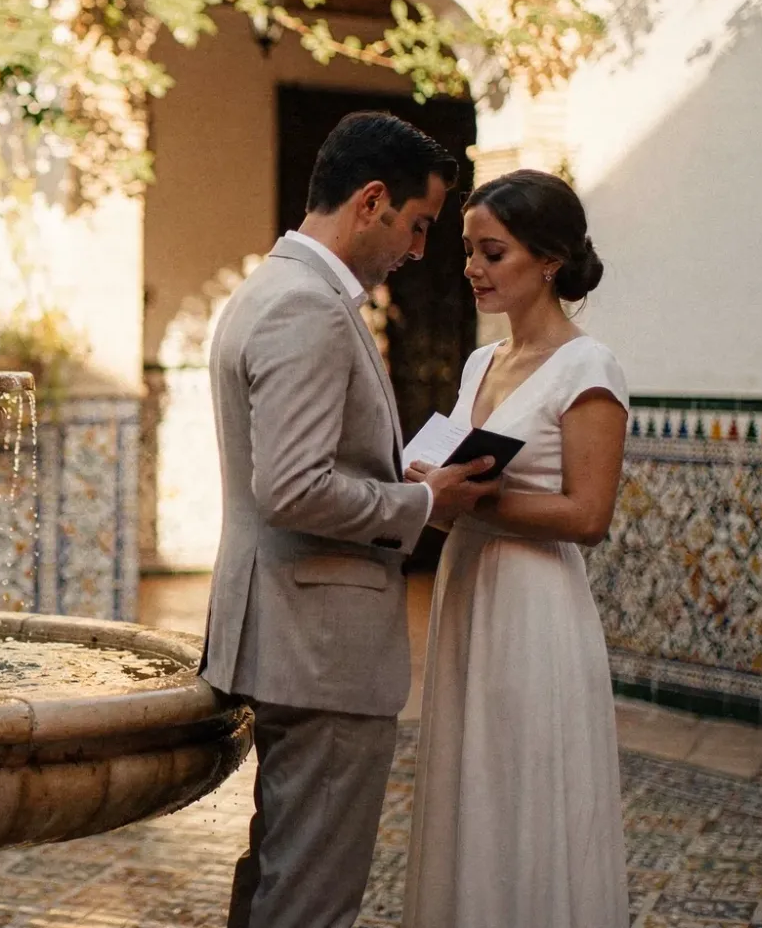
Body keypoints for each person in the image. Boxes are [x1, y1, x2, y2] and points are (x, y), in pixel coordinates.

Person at [201, 111, 502, 928]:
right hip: (322, 648)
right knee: (310, 901)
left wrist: (391, 476)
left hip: (288, 633)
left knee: (277, 879)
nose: (417, 250)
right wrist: (424, 502)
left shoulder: (269, 289)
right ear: (371, 201)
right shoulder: (310, 306)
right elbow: (292, 488)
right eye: (417, 225)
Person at [401, 168, 632, 928]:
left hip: (536, 606)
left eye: (492, 252)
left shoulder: (588, 368)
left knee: (527, 783)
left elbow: (590, 514)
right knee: (473, 778)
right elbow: (454, 505)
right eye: (468, 250)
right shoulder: (479, 365)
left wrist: (485, 499)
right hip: (466, 591)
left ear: (550, 260)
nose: (471, 267)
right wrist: (428, 493)